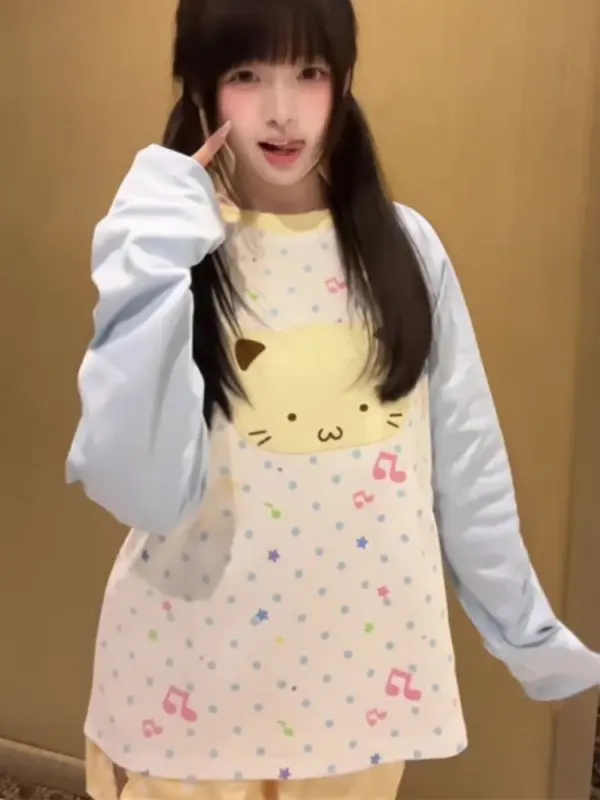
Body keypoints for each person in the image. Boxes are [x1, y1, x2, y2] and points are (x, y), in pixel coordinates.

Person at [67, 0, 600, 798]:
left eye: (309, 72)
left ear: (343, 81)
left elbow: (468, 469)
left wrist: (528, 633)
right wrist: (148, 269)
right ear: (202, 88)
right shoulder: (171, 250)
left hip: (358, 691)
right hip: (187, 681)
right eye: (247, 74)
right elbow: (137, 487)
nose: (283, 111)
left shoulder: (406, 250)